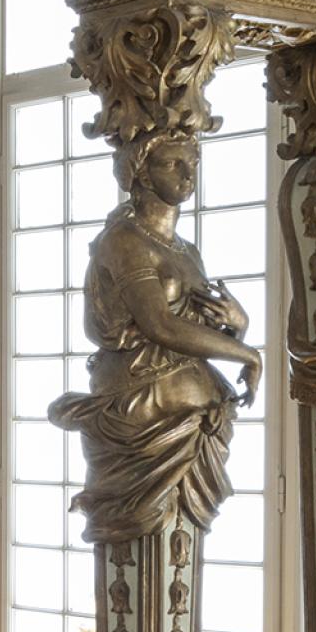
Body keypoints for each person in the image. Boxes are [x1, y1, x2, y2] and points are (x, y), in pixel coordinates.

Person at [50, 129, 260, 544]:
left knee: (180, 547)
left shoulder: (185, 250)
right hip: (142, 420)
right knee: (140, 542)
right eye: (172, 164)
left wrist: (239, 324)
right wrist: (247, 354)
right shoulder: (124, 241)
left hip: (197, 424)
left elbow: (197, 331)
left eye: (193, 163)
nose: (188, 174)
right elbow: (159, 326)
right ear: (142, 174)